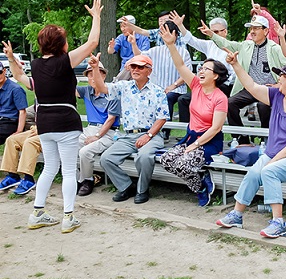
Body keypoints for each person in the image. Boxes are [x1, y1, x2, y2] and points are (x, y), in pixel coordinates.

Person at [7, 0, 103, 233]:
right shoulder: (65, 61)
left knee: (50, 167)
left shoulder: (37, 65)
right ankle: (68, 216)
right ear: (61, 45)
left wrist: (11, 58)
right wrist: (97, 16)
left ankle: (37, 212)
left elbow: (22, 79)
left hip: (45, 124)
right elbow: (92, 42)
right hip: (66, 122)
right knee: (68, 170)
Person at [216, 57, 286, 238]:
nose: (278, 79)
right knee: (254, 173)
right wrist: (236, 65)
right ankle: (237, 215)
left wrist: (275, 160)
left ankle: (278, 222)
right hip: (275, 153)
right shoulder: (276, 95)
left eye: (282, 76)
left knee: (269, 171)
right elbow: (252, 87)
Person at [159, 24, 229, 206]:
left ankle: (202, 188)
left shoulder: (220, 98)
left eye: (206, 69)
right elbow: (180, 65)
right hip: (191, 138)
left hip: (209, 143)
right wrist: (171, 45)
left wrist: (196, 145)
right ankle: (200, 179)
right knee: (166, 160)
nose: (201, 70)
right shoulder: (196, 85)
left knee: (182, 163)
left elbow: (216, 128)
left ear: (216, 76)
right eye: (201, 67)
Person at [93, 54, 169, 204]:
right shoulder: (124, 86)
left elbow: (162, 118)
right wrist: (95, 68)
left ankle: (142, 189)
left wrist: (148, 135)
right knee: (106, 158)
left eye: (140, 67)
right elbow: (101, 87)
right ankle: (126, 186)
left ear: (149, 70)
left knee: (144, 156)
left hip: (151, 135)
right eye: (133, 66)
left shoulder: (158, 91)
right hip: (128, 136)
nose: (135, 69)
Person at [201, 15, 286, 144]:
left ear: (266, 31)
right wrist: (211, 35)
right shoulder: (246, 46)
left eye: (256, 28)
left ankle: (267, 138)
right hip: (250, 87)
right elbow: (227, 44)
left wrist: (279, 84)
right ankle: (241, 138)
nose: (252, 31)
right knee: (230, 103)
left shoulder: (274, 48)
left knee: (263, 106)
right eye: (251, 28)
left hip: (267, 88)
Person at [130, 20, 191, 122]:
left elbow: (187, 74)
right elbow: (139, 57)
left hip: (177, 89)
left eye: (168, 33)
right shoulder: (156, 50)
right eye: (162, 33)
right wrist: (133, 44)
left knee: (167, 98)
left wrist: (173, 85)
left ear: (175, 35)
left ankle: (166, 130)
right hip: (157, 88)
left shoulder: (183, 52)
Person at [76, 62, 121, 196]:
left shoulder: (112, 93)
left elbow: (111, 119)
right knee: (67, 146)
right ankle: (76, 179)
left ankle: (88, 180)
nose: (93, 78)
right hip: (89, 128)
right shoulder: (86, 91)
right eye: (90, 75)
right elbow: (66, 87)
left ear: (104, 75)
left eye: (96, 74)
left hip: (108, 132)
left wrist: (97, 136)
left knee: (85, 152)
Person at [0, 43, 39, 195]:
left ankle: (28, 179)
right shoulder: (38, 89)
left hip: (52, 129)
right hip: (38, 126)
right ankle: (12, 176)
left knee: (29, 142)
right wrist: (10, 57)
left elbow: (22, 112)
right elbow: (19, 75)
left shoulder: (59, 90)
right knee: (12, 140)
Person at [0, 61, 28, 145]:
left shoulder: (15, 89)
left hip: (10, 122)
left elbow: (22, 112)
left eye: (0, 72)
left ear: (4, 71)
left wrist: (19, 131)